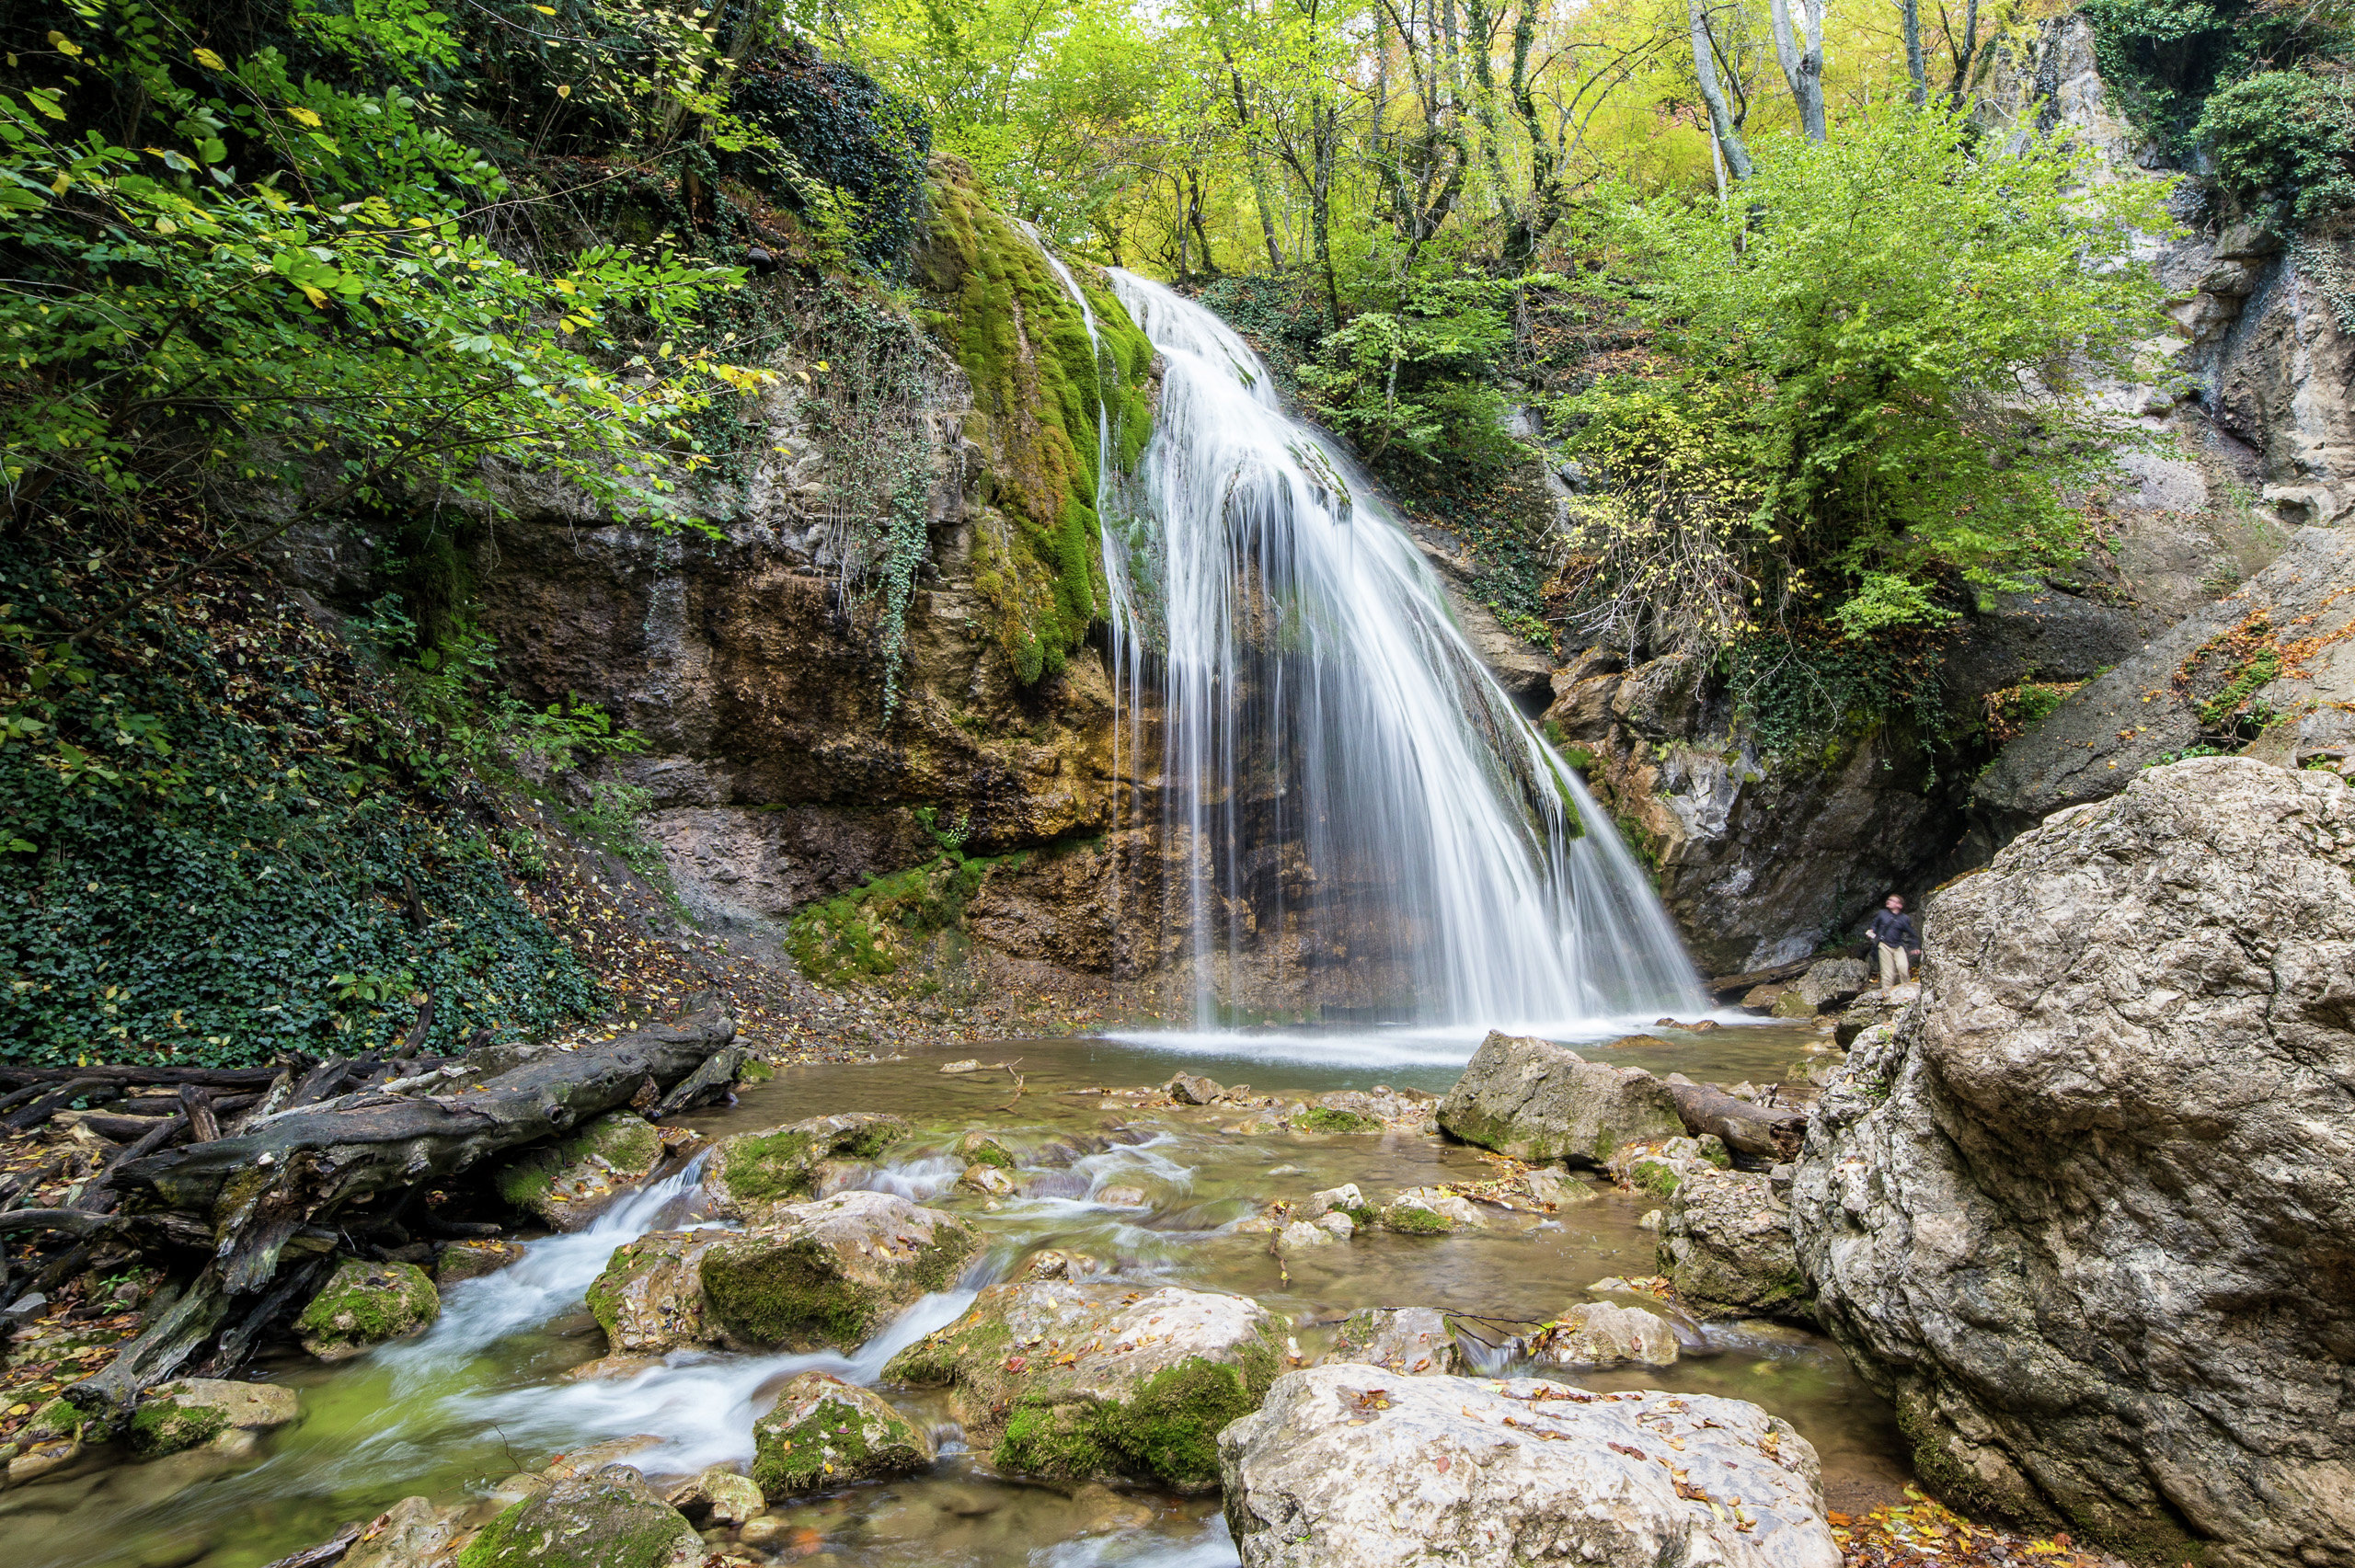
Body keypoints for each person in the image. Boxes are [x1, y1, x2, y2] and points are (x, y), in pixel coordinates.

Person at [1866, 893, 1921, 990]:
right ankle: (1886, 993)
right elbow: (1875, 924)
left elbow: (1912, 933)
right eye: (1889, 899)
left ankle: (1907, 990)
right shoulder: (1882, 913)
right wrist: (1872, 930)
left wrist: (1915, 947)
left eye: (1892, 900)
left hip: (1898, 946)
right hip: (1884, 945)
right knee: (1887, 973)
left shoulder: (1904, 919)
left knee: (1903, 968)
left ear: (1899, 905)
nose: (1888, 901)